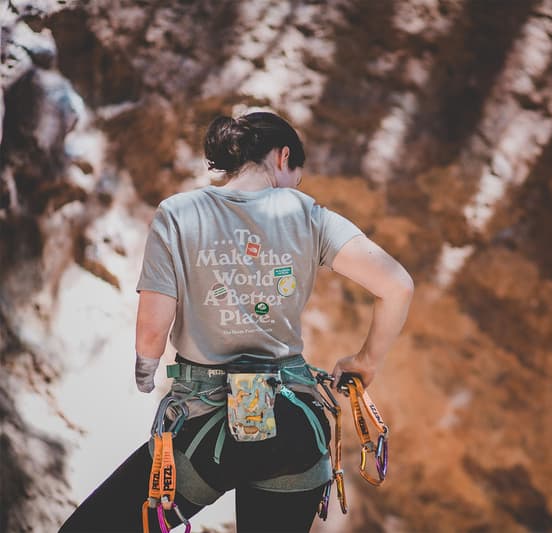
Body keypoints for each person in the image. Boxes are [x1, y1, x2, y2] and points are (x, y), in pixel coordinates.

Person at [60, 111, 414, 532]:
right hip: (294, 427)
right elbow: (397, 285)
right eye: (295, 177)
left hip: (205, 425)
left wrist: (146, 368)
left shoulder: (178, 213)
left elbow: (151, 332)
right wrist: (366, 360)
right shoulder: (310, 214)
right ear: (283, 157)